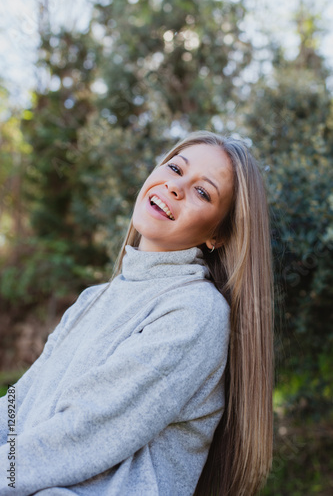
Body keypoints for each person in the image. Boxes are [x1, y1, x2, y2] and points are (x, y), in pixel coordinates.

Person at [0, 131, 274, 495]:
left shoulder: (196, 312)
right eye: (175, 168)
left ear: (217, 235)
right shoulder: (94, 299)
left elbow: (85, 432)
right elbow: (20, 401)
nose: (176, 187)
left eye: (203, 192)